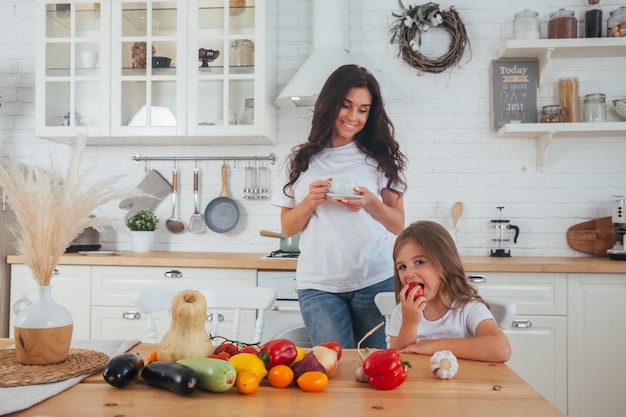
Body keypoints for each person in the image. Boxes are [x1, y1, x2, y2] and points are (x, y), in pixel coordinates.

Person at [271, 64, 408, 349]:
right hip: (319, 286)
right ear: (330, 104)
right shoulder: (297, 160)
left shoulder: (380, 157)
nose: (353, 117)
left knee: (377, 368)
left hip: (375, 278)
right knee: (333, 371)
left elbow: (397, 224)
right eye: (346, 106)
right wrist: (310, 201)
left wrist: (370, 202)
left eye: (363, 109)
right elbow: (287, 229)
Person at [388, 220, 511, 362]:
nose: (409, 273)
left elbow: (501, 349)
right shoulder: (402, 312)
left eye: (419, 262)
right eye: (402, 267)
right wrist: (409, 323)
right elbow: (397, 360)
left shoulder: (468, 308)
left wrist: (433, 346)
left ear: (445, 264)